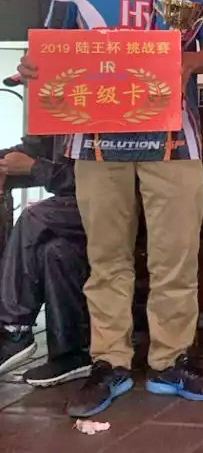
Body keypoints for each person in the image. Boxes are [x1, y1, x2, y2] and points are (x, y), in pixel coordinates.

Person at [17, 0, 203, 417]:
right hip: (97, 137)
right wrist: (35, 68)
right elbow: (52, 42)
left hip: (174, 139)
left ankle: (170, 361)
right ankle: (108, 362)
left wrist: (186, 63)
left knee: (175, 257)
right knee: (106, 257)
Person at [0, 135, 91, 387]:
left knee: (34, 218)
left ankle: (14, 329)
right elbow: (32, 150)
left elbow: (97, 181)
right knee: (55, 250)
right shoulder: (59, 120)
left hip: (119, 204)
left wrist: (36, 168)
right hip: (74, 208)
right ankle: (71, 355)